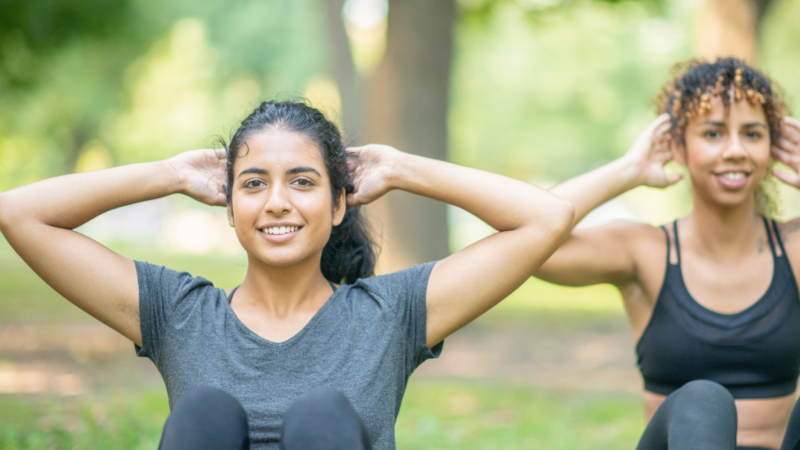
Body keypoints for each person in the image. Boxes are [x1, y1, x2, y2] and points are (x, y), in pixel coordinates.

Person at [0, 100, 574, 449]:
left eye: (302, 181)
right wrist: (170, 173)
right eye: (253, 184)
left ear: (339, 203)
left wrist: (400, 167)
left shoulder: (391, 316)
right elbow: (19, 214)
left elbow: (547, 220)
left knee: (321, 417)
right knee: (205, 413)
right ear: (228, 206)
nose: (276, 202)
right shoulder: (178, 314)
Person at [534, 57, 800, 450]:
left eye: (752, 133)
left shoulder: (793, 248)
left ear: (772, 147)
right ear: (678, 145)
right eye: (713, 133)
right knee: (703, 401)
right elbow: (525, 242)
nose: (735, 150)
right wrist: (627, 170)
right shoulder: (645, 251)